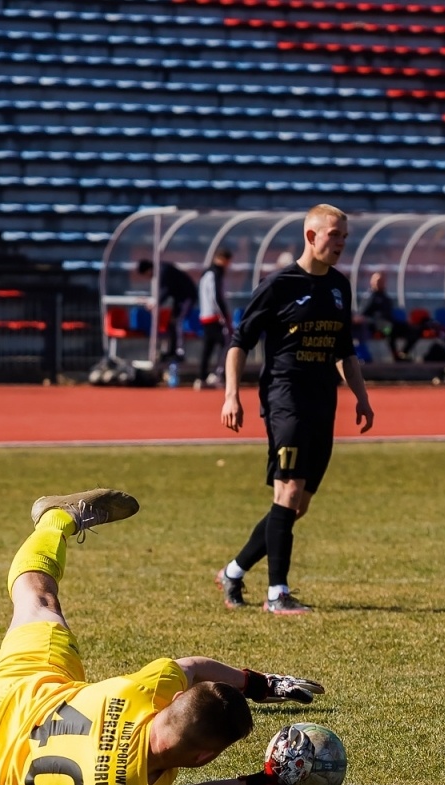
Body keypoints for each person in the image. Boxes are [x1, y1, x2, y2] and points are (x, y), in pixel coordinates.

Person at [0, 488, 326, 785]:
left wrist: (263, 684)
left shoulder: (138, 694)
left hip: (20, 695)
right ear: (201, 758)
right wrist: (269, 782)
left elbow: (192, 668)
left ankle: (55, 520)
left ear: (167, 704)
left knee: (38, 601)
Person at [216, 203, 376, 615]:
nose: (340, 243)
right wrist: (231, 394)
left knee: (297, 503)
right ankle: (277, 595)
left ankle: (234, 571)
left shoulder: (340, 286)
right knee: (287, 492)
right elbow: (239, 343)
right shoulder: (279, 285)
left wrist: (361, 396)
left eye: (344, 237)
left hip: (324, 400)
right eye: (333, 235)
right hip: (285, 398)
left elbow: (345, 351)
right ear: (311, 235)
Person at [134, 258, 197, 364]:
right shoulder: (161, 270)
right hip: (179, 299)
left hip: (187, 297)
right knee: (172, 323)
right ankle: (171, 351)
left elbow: (165, 290)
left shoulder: (163, 271)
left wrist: (155, 302)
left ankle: (179, 352)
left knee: (179, 322)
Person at [194, 246, 234, 388]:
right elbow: (217, 297)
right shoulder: (216, 273)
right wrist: (224, 316)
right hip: (214, 316)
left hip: (205, 315)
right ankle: (217, 374)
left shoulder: (206, 273)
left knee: (208, 347)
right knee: (226, 342)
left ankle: (201, 376)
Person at [356, 272, 405, 360]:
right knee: (389, 330)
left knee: (409, 329)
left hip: (389, 323)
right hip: (377, 325)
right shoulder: (369, 297)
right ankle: (395, 355)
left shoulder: (386, 297)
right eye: (377, 281)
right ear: (372, 282)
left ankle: (404, 353)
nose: (379, 283)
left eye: (382, 281)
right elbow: (362, 314)